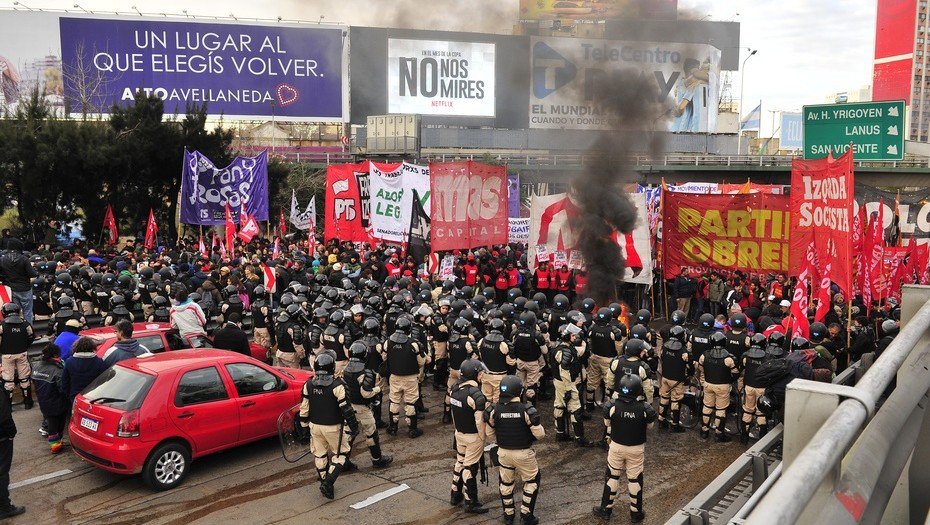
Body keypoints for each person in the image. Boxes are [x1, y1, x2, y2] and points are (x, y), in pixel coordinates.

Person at [592, 374, 656, 523]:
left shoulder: (611, 406)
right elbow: (650, 426)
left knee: (612, 476)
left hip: (616, 447)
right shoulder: (645, 408)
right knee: (635, 479)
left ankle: (606, 510)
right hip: (636, 448)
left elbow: (607, 424)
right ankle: (636, 513)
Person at [296, 353, 359, 500]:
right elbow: (347, 409)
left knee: (319, 454)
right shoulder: (338, 385)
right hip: (333, 427)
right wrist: (354, 427)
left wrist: (304, 427)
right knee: (342, 454)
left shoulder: (308, 384)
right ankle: (328, 483)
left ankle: (324, 481)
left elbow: (303, 409)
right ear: (332, 367)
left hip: (314, 427)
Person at [484, 376, 544, 525]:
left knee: (505, 483)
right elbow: (540, 435)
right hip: (524, 453)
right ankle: (526, 515)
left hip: (503, 452)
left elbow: (490, 435)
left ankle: (508, 515)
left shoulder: (494, 410)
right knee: (532, 481)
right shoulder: (526, 410)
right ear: (519, 391)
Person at [342, 342, 393, 469]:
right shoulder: (365, 372)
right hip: (362, 408)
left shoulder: (345, 369)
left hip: (348, 407)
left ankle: (343, 461)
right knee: (371, 434)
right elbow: (366, 393)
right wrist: (377, 390)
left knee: (348, 434)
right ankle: (377, 459)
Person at [449, 359, 489, 514]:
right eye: (480, 373)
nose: (482, 375)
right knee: (470, 467)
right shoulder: (476, 395)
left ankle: (455, 494)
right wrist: (482, 437)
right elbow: (480, 422)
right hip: (473, 436)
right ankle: (470, 502)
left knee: (460, 462)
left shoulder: (454, 388)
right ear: (475, 374)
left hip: (459, 433)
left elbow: (454, 413)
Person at [384, 316, 426, 438]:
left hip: (394, 376)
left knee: (394, 400)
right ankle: (412, 429)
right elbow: (421, 361)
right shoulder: (413, 343)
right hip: (410, 378)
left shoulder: (388, 342)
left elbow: (384, 358)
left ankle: (393, 427)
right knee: (411, 402)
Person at [551, 323, 588, 446]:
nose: (575, 337)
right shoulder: (565, 351)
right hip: (566, 383)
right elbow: (564, 371)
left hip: (558, 382)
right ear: (566, 336)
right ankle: (579, 439)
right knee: (575, 409)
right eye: (572, 335)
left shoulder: (559, 348)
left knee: (559, 406)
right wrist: (568, 389)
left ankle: (560, 433)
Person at [697, 332, 739, 442]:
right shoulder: (729, 358)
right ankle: (719, 434)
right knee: (721, 409)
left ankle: (704, 431)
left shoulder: (704, 355)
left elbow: (701, 369)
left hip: (708, 384)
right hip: (723, 386)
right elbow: (735, 374)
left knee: (707, 406)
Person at [31, 343, 68, 454]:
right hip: (57, 401)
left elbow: (33, 380)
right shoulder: (57, 369)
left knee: (51, 421)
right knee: (58, 424)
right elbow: (62, 388)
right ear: (55, 355)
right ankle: (56, 445)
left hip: (43, 399)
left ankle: (56, 444)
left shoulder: (36, 366)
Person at [0, 302, 35, 409]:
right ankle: (28, 403)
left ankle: (8, 406)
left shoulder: (2, 325)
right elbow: (31, 337)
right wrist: (24, 346)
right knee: (24, 378)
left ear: (4, 312)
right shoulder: (25, 323)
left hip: (7, 356)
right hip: (22, 354)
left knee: (8, 380)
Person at [657, 325, 690, 433]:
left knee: (664, 398)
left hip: (665, 377)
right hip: (677, 380)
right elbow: (689, 365)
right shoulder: (683, 350)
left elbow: (661, 358)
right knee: (676, 400)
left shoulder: (664, 347)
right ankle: (674, 424)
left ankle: (661, 420)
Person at [477, 318, 514, 404]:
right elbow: (511, 362)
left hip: (485, 374)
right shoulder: (504, 344)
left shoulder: (482, 341)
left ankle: (486, 416)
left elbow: (479, 355)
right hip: (500, 377)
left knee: (486, 400)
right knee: (498, 402)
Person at [0, 383, 23, 519]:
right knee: (2, 472)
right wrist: (11, 432)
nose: (1, 369)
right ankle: (4, 507)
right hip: (2, 437)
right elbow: (3, 415)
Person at [0, 238, 36, 324]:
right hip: (25, 289)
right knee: (27, 312)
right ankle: (29, 332)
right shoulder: (24, 259)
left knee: (16, 313)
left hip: (12, 289)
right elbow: (32, 274)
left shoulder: (2, 259)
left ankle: (19, 332)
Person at [61, 337, 106, 405]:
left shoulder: (69, 362)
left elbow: (64, 382)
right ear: (92, 347)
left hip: (75, 397)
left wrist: (69, 395)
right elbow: (103, 381)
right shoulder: (98, 362)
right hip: (93, 397)